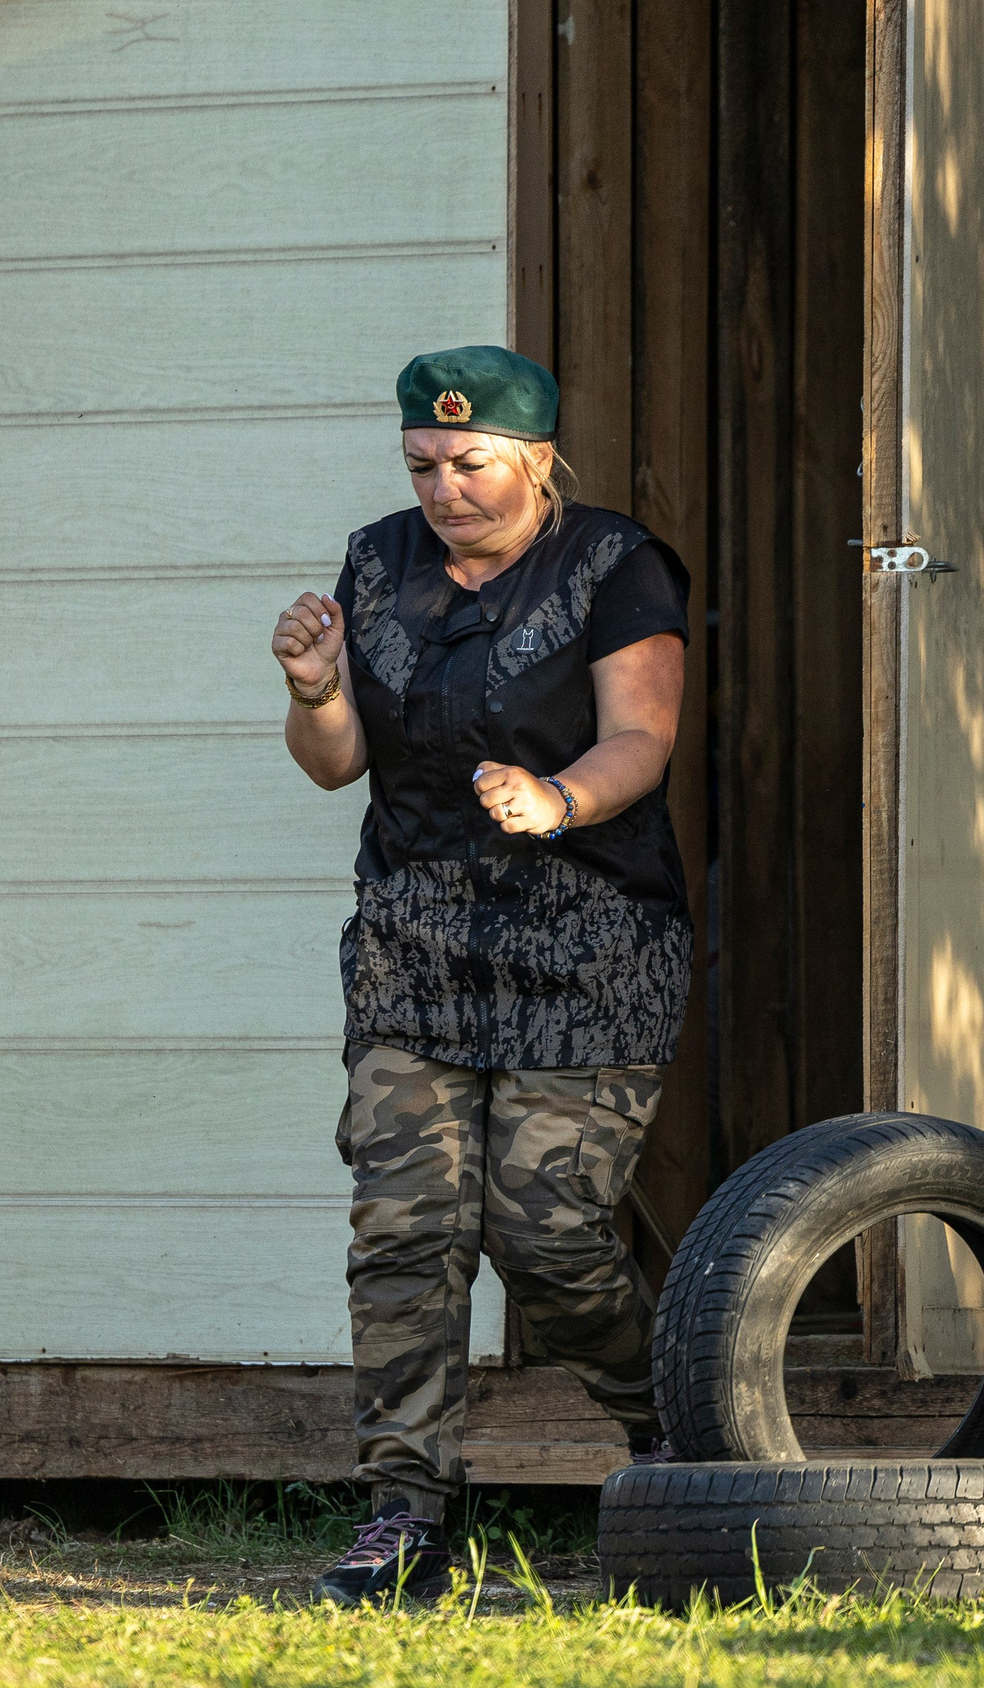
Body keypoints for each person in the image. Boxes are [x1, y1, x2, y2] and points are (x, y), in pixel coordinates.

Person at [274, 345, 694, 1606]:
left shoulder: (616, 566)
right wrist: (309, 691)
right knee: (403, 1226)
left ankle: (674, 1440)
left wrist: (557, 796)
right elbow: (335, 763)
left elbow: (644, 738)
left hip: (587, 942)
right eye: (423, 465)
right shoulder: (374, 561)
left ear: (537, 457)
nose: (444, 489)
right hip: (414, 943)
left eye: (470, 464)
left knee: (548, 1228)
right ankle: (405, 1507)